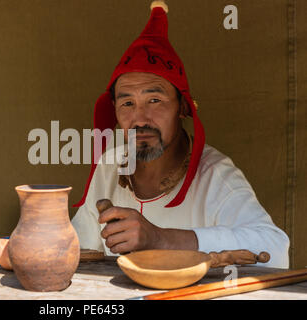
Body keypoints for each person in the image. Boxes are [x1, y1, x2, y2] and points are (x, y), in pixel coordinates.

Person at [71, 1, 289, 268]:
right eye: (127, 103)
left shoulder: (214, 176)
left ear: (183, 107)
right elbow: (79, 250)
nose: (139, 118)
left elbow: (276, 249)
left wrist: (162, 239)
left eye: (154, 100)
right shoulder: (109, 167)